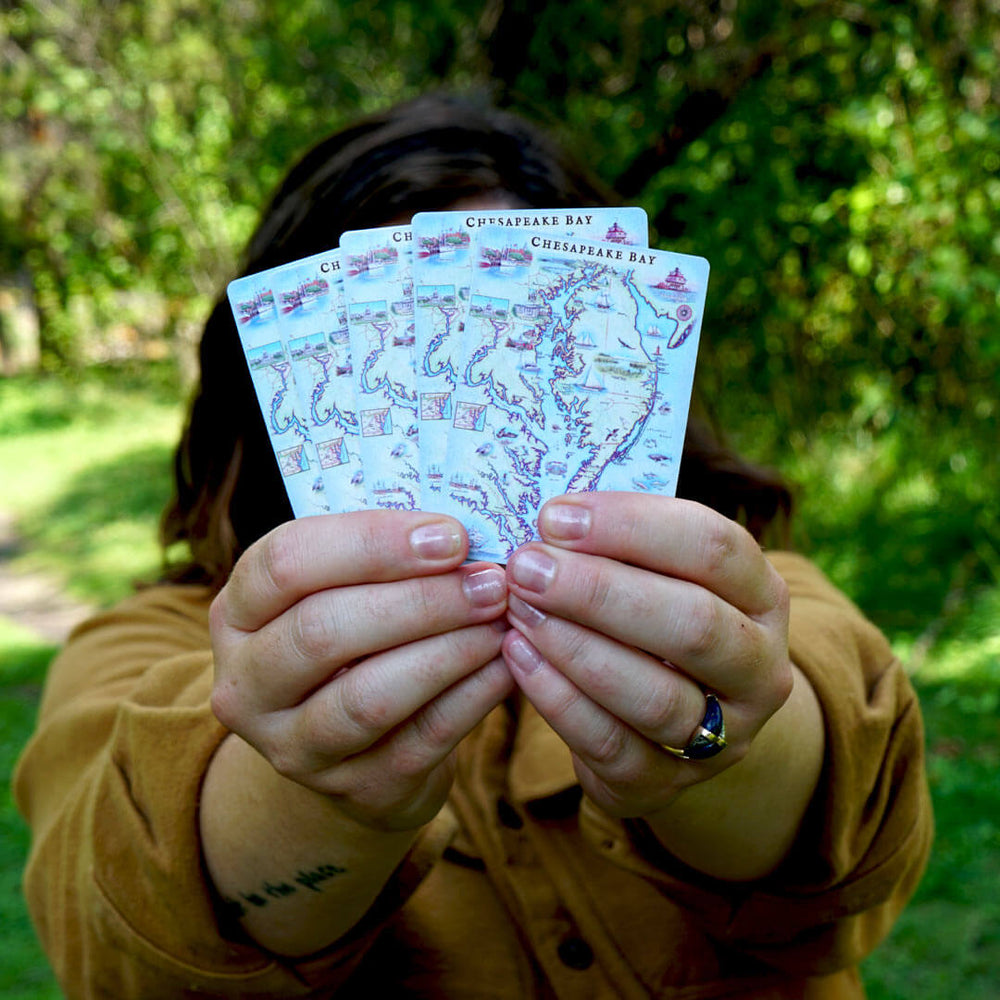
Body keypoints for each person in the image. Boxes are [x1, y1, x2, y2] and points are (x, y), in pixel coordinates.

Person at [14, 92, 931, 999]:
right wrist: (311, 798)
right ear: (280, 388)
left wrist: (727, 741)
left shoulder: (741, 598)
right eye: (408, 355)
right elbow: (110, 938)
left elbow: (860, 796)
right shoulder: (142, 647)